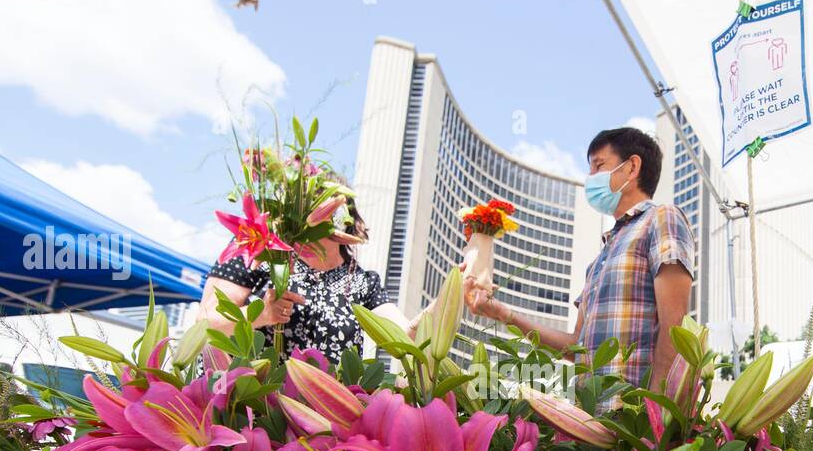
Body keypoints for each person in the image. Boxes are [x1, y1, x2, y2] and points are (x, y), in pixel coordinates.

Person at [466, 126, 695, 392]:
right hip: (591, 415)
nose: (591, 177)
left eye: (599, 165)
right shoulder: (599, 260)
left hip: (634, 418)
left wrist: (656, 414)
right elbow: (576, 346)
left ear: (632, 167)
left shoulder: (662, 218)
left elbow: (674, 325)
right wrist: (504, 314)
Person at [196, 183, 416, 365]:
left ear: (348, 217)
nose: (323, 211)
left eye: (334, 203)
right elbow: (205, 323)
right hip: (256, 407)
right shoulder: (260, 249)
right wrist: (262, 314)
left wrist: (444, 304)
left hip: (327, 412)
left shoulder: (364, 281)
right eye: (314, 200)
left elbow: (407, 333)